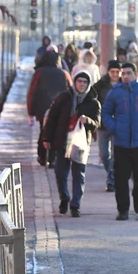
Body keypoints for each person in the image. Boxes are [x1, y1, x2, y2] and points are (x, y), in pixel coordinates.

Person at [101, 62, 138, 221]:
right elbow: (105, 113)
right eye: (123, 73)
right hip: (121, 143)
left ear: (136, 74)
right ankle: (123, 209)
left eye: (128, 73)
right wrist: (114, 127)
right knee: (120, 179)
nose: (125, 76)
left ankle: (137, 197)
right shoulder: (115, 92)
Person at [42, 71, 101, 217]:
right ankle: (64, 197)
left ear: (89, 84)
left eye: (85, 82)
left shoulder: (93, 102)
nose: (82, 84)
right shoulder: (63, 98)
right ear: (74, 83)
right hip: (62, 141)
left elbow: (97, 124)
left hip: (80, 144)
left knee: (78, 175)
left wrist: (88, 121)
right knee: (60, 173)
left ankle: (75, 205)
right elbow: (52, 119)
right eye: (79, 81)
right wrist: (46, 139)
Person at [27, 48, 72, 166]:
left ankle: (42, 156)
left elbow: (33, 92)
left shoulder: (39, 73)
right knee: (56, 132)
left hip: (42, 108)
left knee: (44, 130)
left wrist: (31, 111)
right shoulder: (64, 73)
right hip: (60, 108)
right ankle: (52, 159)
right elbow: (71, 90)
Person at [92, 60, 121, 192]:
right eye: (112, 71)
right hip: (102, 124)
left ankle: (111, 180)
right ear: (108, 72)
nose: (115, 74)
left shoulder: (124, 85)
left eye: (117, 71)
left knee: (116, 154)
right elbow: (92, 101)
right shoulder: (100, 86)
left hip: (119, 124)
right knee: (104, 154)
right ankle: (112, 174)